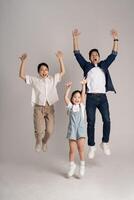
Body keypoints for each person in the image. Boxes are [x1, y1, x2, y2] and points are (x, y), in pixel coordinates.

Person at [72, 29, 118, 159]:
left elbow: (114, 55)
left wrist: (116, 39)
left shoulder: (104, 65)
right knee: (91, 122)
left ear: (99, 56)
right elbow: (76, 54)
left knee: (107, 120)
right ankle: (91, 146)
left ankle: (105, 143)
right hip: (91, 98)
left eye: (96, 54)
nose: (94, 56)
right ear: (89, 58)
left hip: (102, 98)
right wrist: (75, 38)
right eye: (92, 55)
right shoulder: (86, 66)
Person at [19, 51, 65, 152]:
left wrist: (60, 59)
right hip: (38, 108)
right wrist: (23, 62)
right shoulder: (35, 80)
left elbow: (62, 72)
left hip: (50, 107)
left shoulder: (52, 79)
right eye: (41, 70)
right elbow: (21, 75)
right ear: (38, 72)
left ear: (48, 71)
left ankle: (44, 142)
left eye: (46, 69)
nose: (44, 71)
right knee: (39, 130)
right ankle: (38, 141)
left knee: (49, 130)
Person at [64, 79, 86, 178]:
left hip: (80, 131)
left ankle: (82, 166)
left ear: (81, 99)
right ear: (72, 99)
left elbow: (84, 95)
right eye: (75, 97)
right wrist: (68, 88)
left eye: (78, 97)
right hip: (72, 131)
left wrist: (83, 85)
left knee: (81, 149)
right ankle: (72, 166)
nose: (77, 98)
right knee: (72, 150)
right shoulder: (70, 107)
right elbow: (65, 98)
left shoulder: (82, 106)